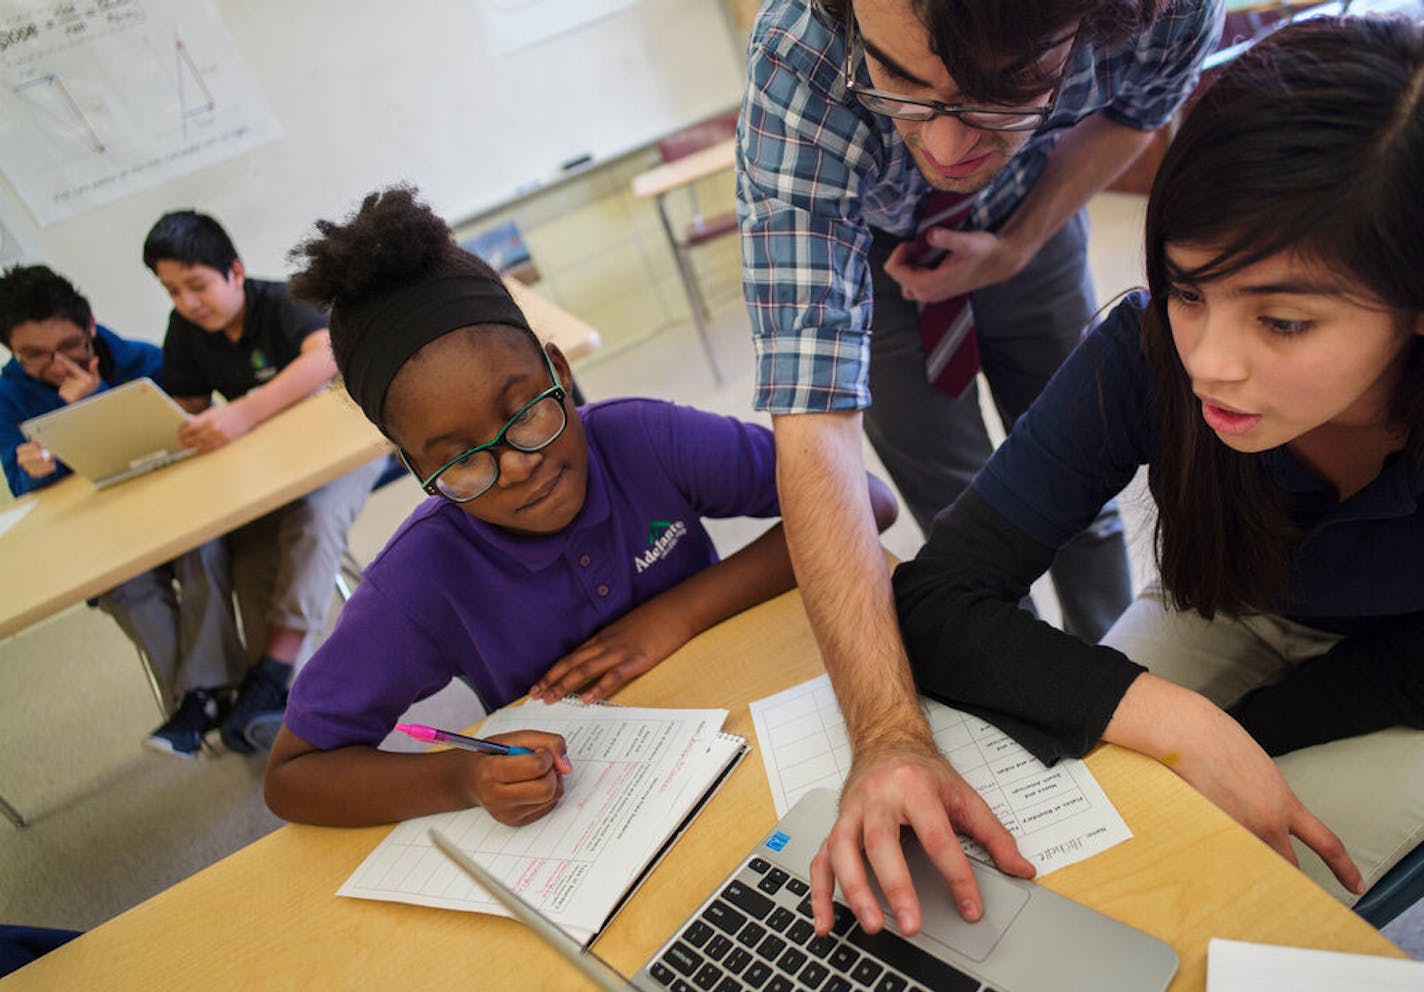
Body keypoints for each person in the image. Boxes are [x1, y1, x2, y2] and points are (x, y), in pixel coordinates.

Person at [894, 15, 1424, 917]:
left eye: (1283, 322)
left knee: (1235, 896)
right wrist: (1173, 724)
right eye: (1189, 291)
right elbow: (941, 596)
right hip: (1240, 608)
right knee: (1072, 847)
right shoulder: (1143, 354)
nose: (1210, 361)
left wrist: (1240, 738)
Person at [738, 0, 1223, 931]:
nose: (950, 142)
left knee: (1078, 492)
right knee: (966, 515)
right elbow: (814, 426)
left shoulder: (1164, 11)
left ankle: (1105, 655)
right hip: (875, 266)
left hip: (1031, 218)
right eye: (905, 85)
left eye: (1005, 96)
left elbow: (1136, 111)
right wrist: (886, 738)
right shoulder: (799, 59)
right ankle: (1010, 690)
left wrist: (1025, 238)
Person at [262, 186, 897, 827]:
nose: (516, 466)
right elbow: (293, 777)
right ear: (419, 469)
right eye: (462, 461)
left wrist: (677, 613)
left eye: (526, 410)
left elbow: (867, 503)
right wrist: (463, 775)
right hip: (601, 816)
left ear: (559, 371)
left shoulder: (643, 439)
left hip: (758, 730)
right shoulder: (421, 579)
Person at [142, 211, 385, 755]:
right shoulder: (184, 332)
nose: (187, 303)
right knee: (247, 543)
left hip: (350, 442)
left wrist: (243, 413)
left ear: (234, 271)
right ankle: (270, 695)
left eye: (197, 286)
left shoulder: (282, 301)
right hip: (272, 467)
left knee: (314, 519)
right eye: (172, 291)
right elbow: (190, 409)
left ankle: (274, 672)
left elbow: (322, 356)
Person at [0, 264, 245, 758]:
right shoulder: (9, 395)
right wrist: (36, 467)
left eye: (68, 347)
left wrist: (96, 406)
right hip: (99, 535)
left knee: (201, 548)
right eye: (32, 356)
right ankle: (214, 699)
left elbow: (187, 431)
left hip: (180, 515)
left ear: (89, 325)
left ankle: (194, 705)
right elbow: (22, 482)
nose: (53, 365)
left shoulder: (141, 360)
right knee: (122, 585)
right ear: (11, 351)